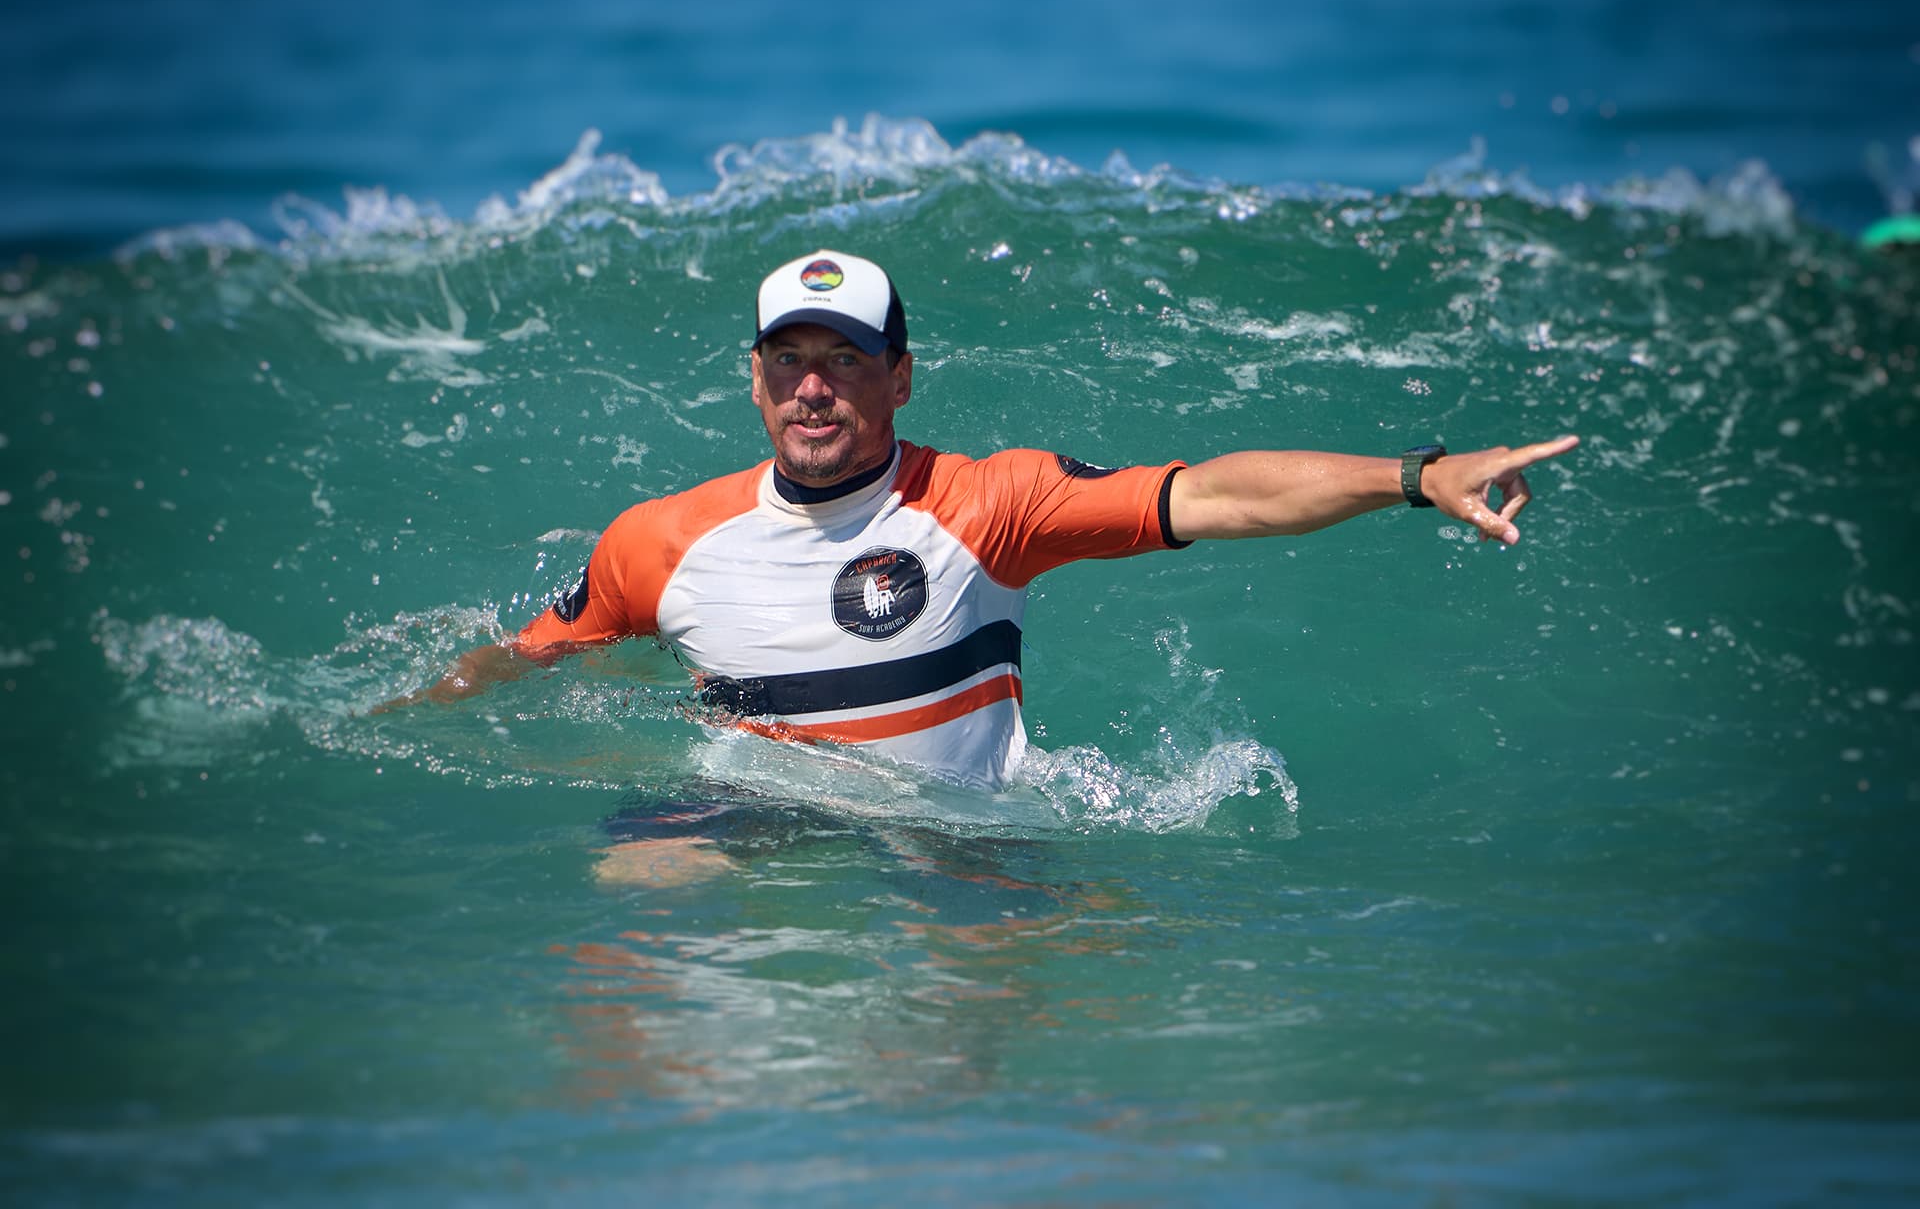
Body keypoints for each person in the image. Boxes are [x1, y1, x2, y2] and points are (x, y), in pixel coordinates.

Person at [387, 248, 1579, 788]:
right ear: (754, 380)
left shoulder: (990, 502)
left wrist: (1415, 475)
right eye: (789, 360)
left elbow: (1211, 491)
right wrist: (389, 713)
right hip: (749, 817)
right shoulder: (661, 540)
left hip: (952, 849)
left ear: (901, 376)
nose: (815, 386)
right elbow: (535, 656)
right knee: (633, 910)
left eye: (846, 359)